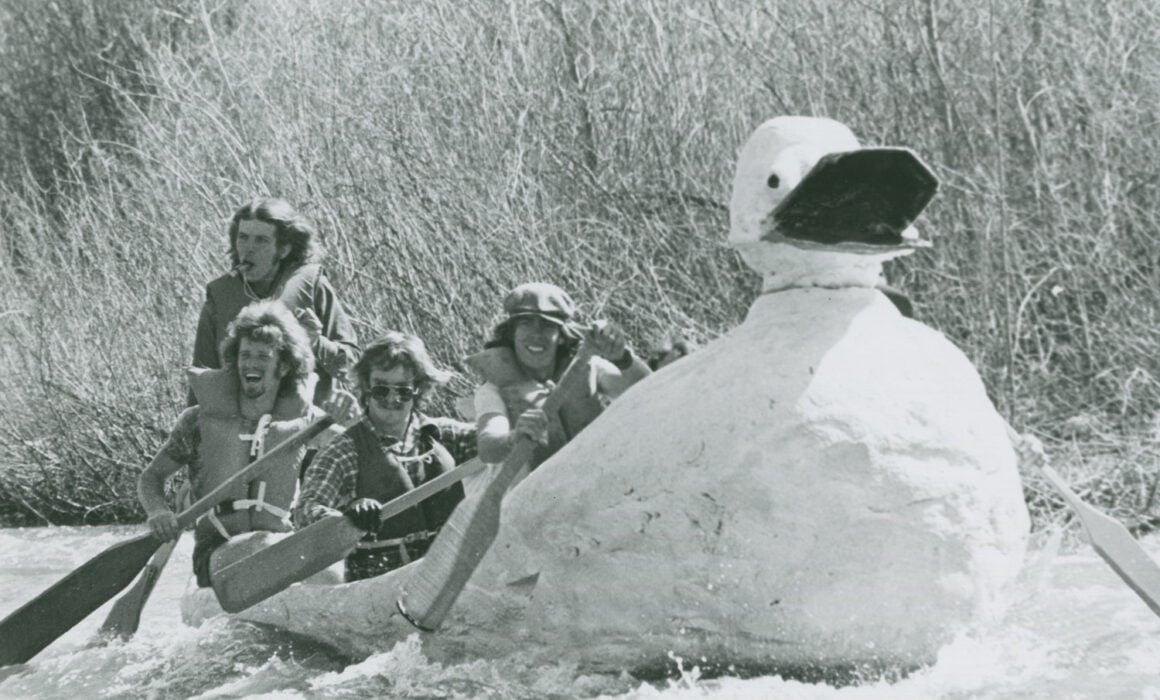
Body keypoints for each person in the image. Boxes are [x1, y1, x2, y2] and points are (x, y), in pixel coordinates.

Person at [139, 300, 360, 588]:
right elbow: (151, 477)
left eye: (262, 356)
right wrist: (158, 511)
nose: (250, 363)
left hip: (281, 544)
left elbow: (359, 452)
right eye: (245, 355)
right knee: (262, 550)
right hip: (218, 552)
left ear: (283, 367)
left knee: (332, 574)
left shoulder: (307, 421)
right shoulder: (197, 421)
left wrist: (353, 419)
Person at [297, 331, 478, 581]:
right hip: (379, 587)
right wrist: (347, 515)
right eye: (381, 389)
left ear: (418, 389)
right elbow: (306, 510)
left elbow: (500, 443)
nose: (392, 399)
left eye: (403, 391)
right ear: (366, 388)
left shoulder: (442, 434)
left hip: (446, 577)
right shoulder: (344, 449)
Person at [192, 197, 359, 405]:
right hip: (239, 429)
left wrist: (316, 343)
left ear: (284, 249)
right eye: (243, 237)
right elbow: (201, 380)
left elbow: (354, 366)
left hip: (307, 425)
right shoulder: (220, 296)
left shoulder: (311, 286)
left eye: (261, 240)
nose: (248, 249)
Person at [471, 282, 651, 470]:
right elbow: (488, 448)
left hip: (599, 473)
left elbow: (650, 391)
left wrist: (622, 357)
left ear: (562, 336)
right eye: (525, 324)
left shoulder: (589, 366)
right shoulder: (493, 389)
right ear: (512, 333)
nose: (536, 334)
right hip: (534, 492)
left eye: (548, 326)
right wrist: (514, 436)